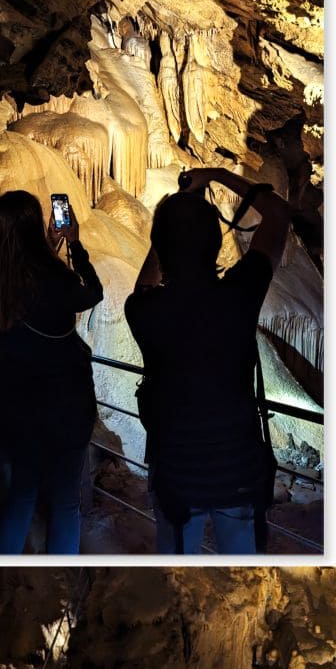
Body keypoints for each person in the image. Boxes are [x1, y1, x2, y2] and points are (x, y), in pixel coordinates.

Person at [125, 168, 291, 555]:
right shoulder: (239, 296)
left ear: (161, 247)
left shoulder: (144, 311)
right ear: (216, 243)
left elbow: (145, 285)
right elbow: (279, 215)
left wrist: (165, 231)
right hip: (238, 470)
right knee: (242, 568)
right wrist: (215, 175)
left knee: (177, 569)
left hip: (176, 472)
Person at [0, 191, 103, 554]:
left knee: (21, 495)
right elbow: (91, 292)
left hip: (15, 403)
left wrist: (47, 245)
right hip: (63, 403)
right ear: (33, 229)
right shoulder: (53, 278)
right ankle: (63, 577)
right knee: (65, 502)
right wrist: (74, 245)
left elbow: (26, 293)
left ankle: (2, 572)